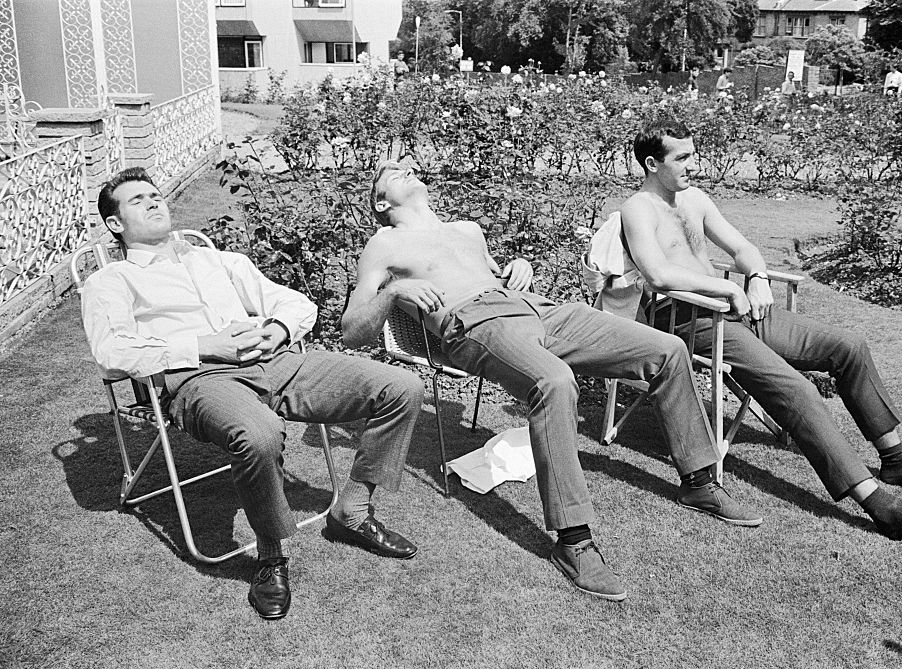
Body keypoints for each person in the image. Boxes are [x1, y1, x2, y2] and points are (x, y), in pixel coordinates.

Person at [341, 161, 764, 602]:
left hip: (535, 307)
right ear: (381, 202)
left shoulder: (467, 229)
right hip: (475, 324)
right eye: (391, 172)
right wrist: (391, 293)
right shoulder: (383, 245)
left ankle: (698, 482)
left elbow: (492, 273)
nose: (405, 167)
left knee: (666, 349)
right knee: (554, 382)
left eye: (408, 165)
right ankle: (574, 540)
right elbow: (352, 329)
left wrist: (516, 268)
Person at [82, 167, 424, 621]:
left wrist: (278, 328)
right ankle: (270, 554)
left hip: (274, 362)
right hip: (200, 379)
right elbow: (111, 352)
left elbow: (295, 302)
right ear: (115, 224)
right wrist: (204, 346)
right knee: (259, 433)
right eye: (137, 200)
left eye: (155, 194)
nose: (153, 201)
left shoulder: (219, 261)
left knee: (401, 387)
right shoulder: (112, 281)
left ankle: (353, 512)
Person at [614, 121, 902, 540]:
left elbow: (742, 248)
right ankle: (881, 506)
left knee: (848, 347)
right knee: (797, 390)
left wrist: (756, 275)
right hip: (691, 320)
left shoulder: (695, 200)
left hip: (737, 310)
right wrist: (727, 286)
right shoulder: (638, 208)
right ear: (652, 164)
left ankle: (895, 456)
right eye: (682, 157)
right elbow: (658, 274)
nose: (694, 164)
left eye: (693, 153)